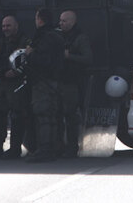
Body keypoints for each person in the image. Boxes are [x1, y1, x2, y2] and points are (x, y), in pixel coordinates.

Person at [0, 15, 31, 159]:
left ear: (16, 26)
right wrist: (1, 72)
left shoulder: (25, 41)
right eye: (3, 26)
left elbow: (28, 61)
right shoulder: (1, 42)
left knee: (17, 116)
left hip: (18, 84)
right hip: (3, 84)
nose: (5, 29)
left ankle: (15, 149)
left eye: (8, 25)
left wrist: (16, 72)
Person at [24, 8, 65, 163]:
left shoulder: (44, 37)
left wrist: (30, 54)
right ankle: (53, 148)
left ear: (40, 19)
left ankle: (45, 149)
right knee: (51, 116)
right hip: (54, 80)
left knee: (43, 115)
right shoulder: (56, 35)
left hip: (43, 81)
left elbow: (43, 60)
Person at [58, 10, 93, 158]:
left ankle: (72, 147)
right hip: (60, 80)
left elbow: (88, 59)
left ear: (72, 22)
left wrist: (69, 56)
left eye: (64, 21)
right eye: (60, 20)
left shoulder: (80, 38)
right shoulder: (59, 36)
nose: (61, 23)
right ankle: (60, 146)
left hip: (73, 81)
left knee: (70, 115)